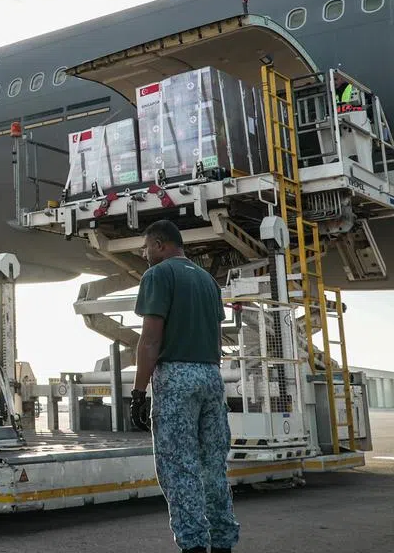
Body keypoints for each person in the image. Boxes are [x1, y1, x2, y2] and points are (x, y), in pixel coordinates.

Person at [131, 220, 239, 553]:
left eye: (147, 247)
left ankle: (193, 546)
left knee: (179, 468)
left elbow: (150, 340)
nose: (144, 253)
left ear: (161, 245)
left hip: (176, 377)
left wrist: (138, 394)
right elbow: (216, 335)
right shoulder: (207, 281)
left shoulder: (158, 275)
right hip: (210, 375)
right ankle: (223, 542)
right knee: (212, 467)